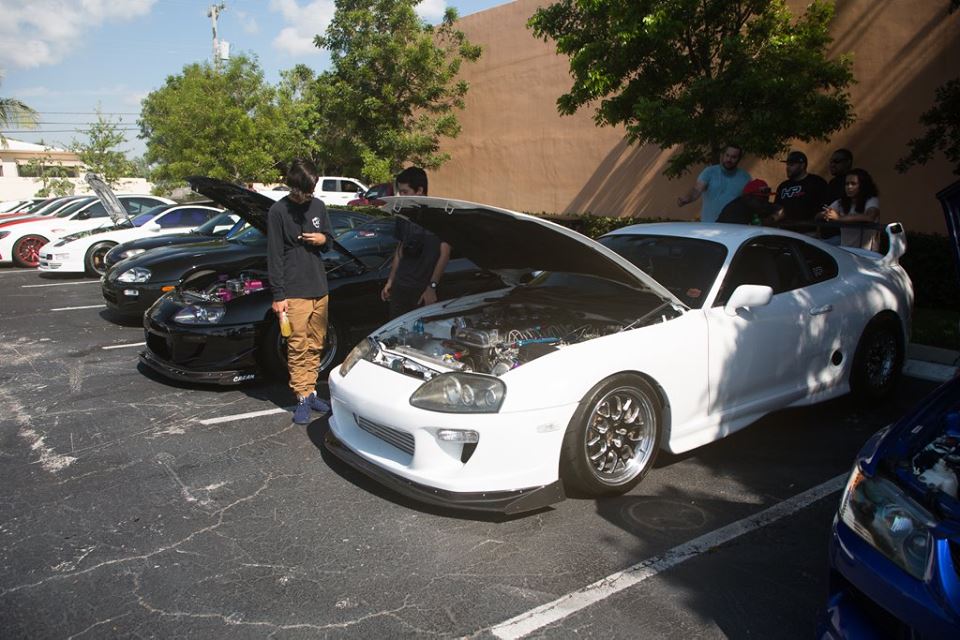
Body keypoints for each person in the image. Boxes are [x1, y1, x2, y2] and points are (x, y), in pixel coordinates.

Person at [267, 159, 335, 425]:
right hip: (293, 291)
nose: (310, 194)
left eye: (313, 188)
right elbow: (274, 255)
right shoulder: (278, 211)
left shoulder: (318, 206)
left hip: (319, 286)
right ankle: (302, 396)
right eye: (306, 189)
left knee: (317, 343)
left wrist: (322, 239)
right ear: (293, 186)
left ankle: (312, 390)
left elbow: (330, 239)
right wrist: (278, 296)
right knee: (297, 345)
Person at [381, 167, 451, 319]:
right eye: (400, 191)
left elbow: (444, 253)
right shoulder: (403, 215)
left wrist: (432, 286)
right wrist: (391, 281)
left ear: (419, 190)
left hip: (423, 289)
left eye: (405, 192)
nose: (401, 196)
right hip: (401, 287)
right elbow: (400, 251)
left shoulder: (437, 216)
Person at [676, 144, 751, 223]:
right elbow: (697, 190)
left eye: (734, 157)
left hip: (732, 228)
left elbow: (749, 201)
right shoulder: (710, 172)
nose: (729, 159)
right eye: (727, 155)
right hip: (709, 226)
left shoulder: (745, 177)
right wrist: (686, 199)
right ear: (722, 155)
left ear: (739, 159)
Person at [818, 168, 881, 251]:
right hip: (846, 251)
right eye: (847, 184)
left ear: (863, 186)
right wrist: (826, 214)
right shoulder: (840, 202)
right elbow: (818, 215)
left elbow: (870, 216)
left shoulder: (871, 200)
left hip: (866, 253)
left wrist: (839, 218)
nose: (849, 187)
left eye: (853, 184)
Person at [774, 150, 831, 233]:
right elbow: (777, 208)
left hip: (809, 232)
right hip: (786, 232)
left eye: (792, 165)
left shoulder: (817, 182)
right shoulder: (783, 186)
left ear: (802, 165)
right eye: (787, 165)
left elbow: (824, 208)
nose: (788, 167)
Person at [717, 179, 783, 225]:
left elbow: (781, 210)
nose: (765, 202)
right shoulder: (735, 211)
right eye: (761, 199)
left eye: (767, 198)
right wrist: (766, 222)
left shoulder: (756, 205)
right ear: (748, 197)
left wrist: (772, 219)